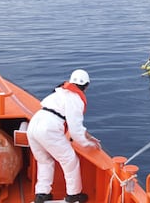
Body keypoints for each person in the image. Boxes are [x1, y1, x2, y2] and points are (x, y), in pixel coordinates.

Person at [27, 69, 101, 203]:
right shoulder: (75, 99)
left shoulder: (59, 93)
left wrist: (86, 135)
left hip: (34, 124)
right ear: (86, 86)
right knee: (70, 160)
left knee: (44, 160)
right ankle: (74, 195)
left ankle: (42, 194)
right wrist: (87, 143)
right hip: (48, 129)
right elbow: (75, 129)